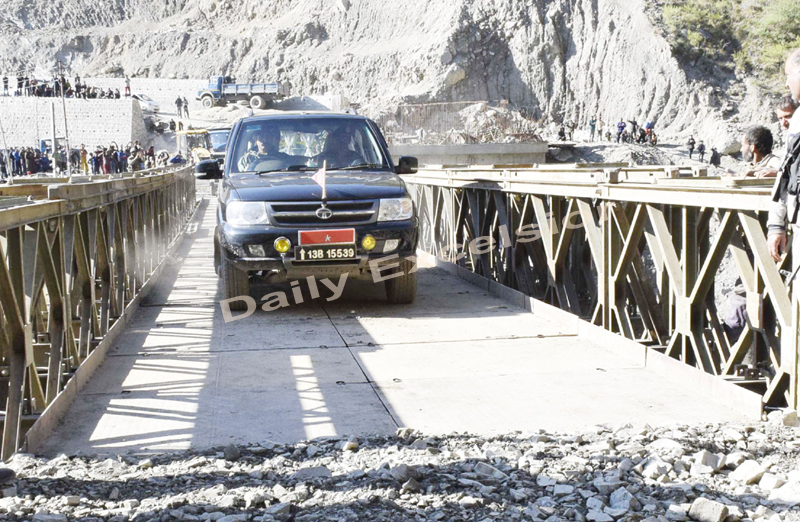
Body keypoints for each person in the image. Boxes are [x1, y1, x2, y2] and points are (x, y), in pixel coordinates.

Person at [767, 46, 800, 267]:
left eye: (789, 76)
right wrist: (777, 225)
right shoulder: (798, 119)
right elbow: (787, 175)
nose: (787, 84)